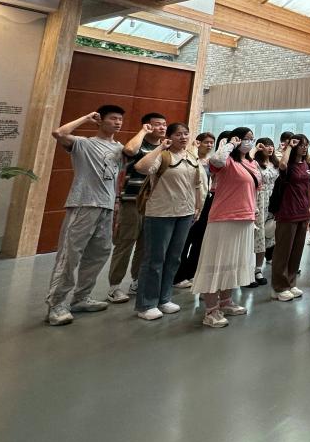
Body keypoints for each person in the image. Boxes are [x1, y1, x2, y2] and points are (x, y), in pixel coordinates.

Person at [45, 106, 138, 326]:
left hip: (107, 207)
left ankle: (81, 297)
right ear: (100, 120)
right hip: (83, 204)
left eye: (120, 119)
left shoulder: (119, 148)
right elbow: (58, 133)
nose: (118, 122)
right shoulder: (83, 144)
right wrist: (86, 117)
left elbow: (123, 165)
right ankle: (56, 304)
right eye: (113, 118)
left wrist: (116, 202)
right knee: (69, 256)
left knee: (99, 254)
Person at [132, 123, 202, 321]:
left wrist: (197, 206)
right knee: (154, 259)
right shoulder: (163, 155)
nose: (183, 137)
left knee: (174, 258)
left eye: (186, 134)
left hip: (185, 213)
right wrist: (161, 147)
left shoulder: (191, 157)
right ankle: (146, 304)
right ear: (169, 137)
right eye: (178, 134)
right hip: (160, 213)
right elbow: (141, 167)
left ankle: (164, 298)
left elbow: (196, 184)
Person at [192, 128, 260, 327]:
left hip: (245, 218)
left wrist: (254, 210)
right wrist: (230, 144)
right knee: (216, 262)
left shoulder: (251, 163)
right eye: (245, 138)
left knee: (234, 262)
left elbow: (254, 189)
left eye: (251, 139)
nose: (249, 142)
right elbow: (215, 160)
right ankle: (211, 310)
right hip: (224, 218)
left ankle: (226, 301)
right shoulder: (226, 160)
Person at [107, 111, 166, 304]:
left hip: (155, 203)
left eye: (164, 124)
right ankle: (114, 287)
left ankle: (136, 281)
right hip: (132, 200)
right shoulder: (139, 144)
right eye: (157, 124)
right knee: (125, 243)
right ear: (147, 125)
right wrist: (142, 132)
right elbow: (129, 150)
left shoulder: (166, 148)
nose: (162, 127)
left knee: (145, 245)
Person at [272, 134, 310, 302]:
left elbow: (309, 185)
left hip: (303, 211)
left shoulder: (307, 164)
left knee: (297, 250)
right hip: (287, 211)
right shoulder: (287, 164)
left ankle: (290, 282)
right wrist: (289, 146)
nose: (304, 148)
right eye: (301, 145)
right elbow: (282, 165)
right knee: (283, 251)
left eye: (306, 145)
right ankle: (279, 286)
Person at [174, 131, 215, 288]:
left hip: (207, 204)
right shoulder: (190, 158)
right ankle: (178, 276)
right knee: (185, 240)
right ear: (198, 143)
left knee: (199, 241)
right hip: (191, 203)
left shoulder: (211, 162)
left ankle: (191, 273)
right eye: (206, 142)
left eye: (211, 142)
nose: (209, 145)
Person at [248, 138, 278, 287]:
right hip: (258, 199)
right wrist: (255, 150)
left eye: (271, 145)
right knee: (256, 235)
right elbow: (247, 163)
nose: (269, 148)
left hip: (272, 200)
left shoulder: (275, 164)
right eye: (266, 145)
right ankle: (249, 270)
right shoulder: (254, 163)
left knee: (267, 234)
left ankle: (258, 269)